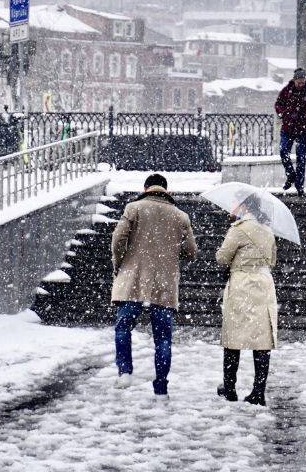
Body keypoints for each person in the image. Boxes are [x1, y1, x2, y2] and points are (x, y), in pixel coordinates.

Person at [110, 173, 198, 397]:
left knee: (123, 327)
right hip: (164, 283)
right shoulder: (181, 216)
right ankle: (161, 385)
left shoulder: (133, 209)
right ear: (166, 190)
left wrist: (120, 264)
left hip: (134, 279)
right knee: (163, 337)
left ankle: (125, 371)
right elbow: (191, 251)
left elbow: (118, 241)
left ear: (145, 188)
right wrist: (168, 254)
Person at [214, 196, 278, 406]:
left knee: (234, 336)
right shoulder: (267, 229)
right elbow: (273, 260)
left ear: (244, 206)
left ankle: (230, 388)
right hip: (263, 283)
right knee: (262, 339)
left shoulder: (239, 228)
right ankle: (258, 392)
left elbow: (222, 258)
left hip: (241, 283)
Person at [274, 69, 306, 196]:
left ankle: (299, 185)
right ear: (294, 80)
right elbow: (278, 104)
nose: (301, 84)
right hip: (287, 128)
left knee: (301, 158)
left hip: (303, 130)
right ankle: (291, 175)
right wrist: (283, 114)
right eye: (298, 82)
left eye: (302, 82)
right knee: (283, 151)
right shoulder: (287, 91)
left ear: (305, 80)